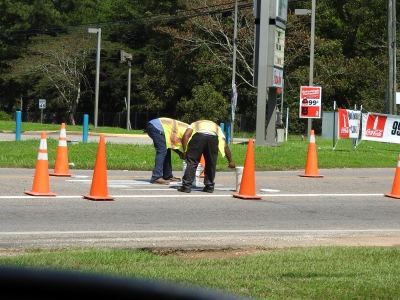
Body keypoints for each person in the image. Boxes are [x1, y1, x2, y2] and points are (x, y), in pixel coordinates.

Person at [178, 120, 235, 193]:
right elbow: (224, 144)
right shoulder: (217, 127)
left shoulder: (195, 124)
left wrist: (185, 151)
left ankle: (186, 187)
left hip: (198, 138)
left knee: (192, 162)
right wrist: (230, 161)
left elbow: (186, 135)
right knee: (211, 163)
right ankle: (209, 186)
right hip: (212, 139)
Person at [146, 118, 188, 185]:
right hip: (157, 127)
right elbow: (174, 141)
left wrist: (179, 153)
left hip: (157, 126)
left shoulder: (188, 130)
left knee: (166, 151)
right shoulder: (188, 133)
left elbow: (170, 144)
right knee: (162, 151)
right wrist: (184, 152)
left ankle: (168, 176)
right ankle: (156, 177)